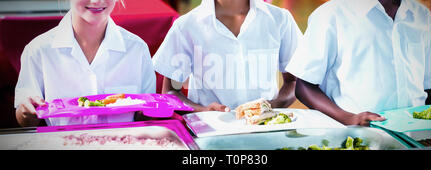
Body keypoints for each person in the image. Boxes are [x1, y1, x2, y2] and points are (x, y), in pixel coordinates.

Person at [286, 0, 431, 126]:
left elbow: (430, 86)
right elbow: (304, 87)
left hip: (415, 137)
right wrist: (350, 118)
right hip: (356, 138)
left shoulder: (422, 16)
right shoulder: (332, 14)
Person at [14, 0, 156, 127]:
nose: (96, 1)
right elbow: (25, 121)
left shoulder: (137, 49)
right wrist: (27, 111)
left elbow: (145, 117)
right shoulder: (38, 50)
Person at [152, 0, 302, 112]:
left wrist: (271, 106)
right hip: (209, 133)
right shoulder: (186, 26)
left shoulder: (279, 19)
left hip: (266, 130)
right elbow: (172, 90)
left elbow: (294, 82)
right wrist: (203, 110)